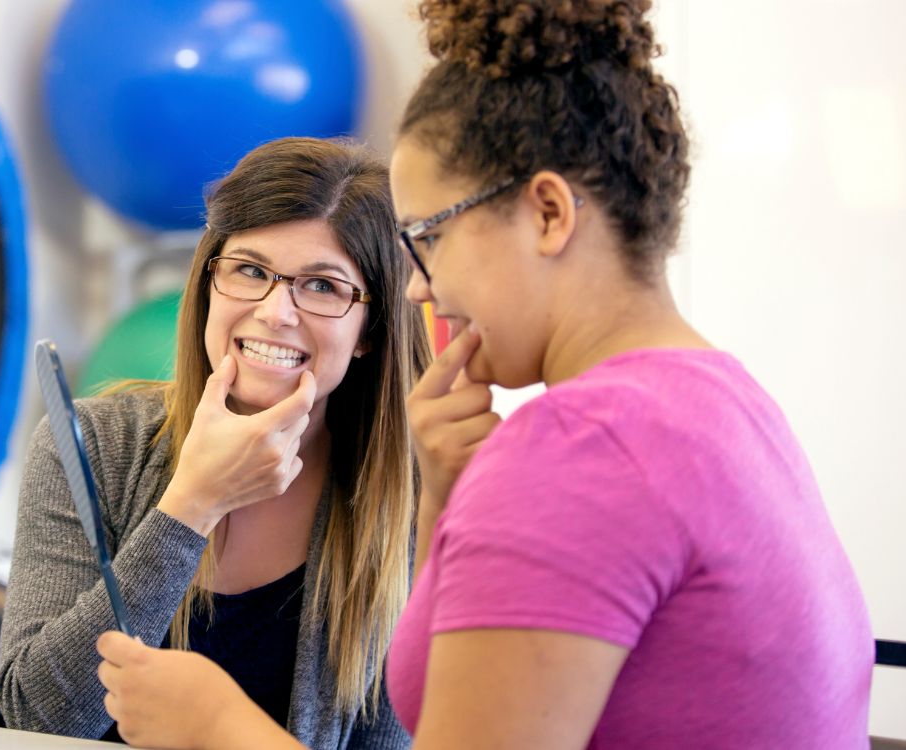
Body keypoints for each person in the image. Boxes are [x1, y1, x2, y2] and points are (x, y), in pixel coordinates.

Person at [94, 1, 875, 748]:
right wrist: (446, 498)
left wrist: (220, 727)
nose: (418, 287)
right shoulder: (722, 397)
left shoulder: (580, 450)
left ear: (547, 214)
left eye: (429, 238)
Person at [0, 137, 428, 749]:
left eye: (323, 287)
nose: (276, 311)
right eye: (250, 271)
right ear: (207, 285)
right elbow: (38, 721)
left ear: (370, 330)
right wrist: (190, 507)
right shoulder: (96, 443)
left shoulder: (407, 498)